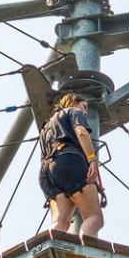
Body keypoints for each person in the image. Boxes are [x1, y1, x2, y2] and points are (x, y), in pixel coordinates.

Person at [39, 92, 104, 238]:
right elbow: (81, 132)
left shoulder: (46, 127)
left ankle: (54, 249)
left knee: (61, 222)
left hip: (48, 172)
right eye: (84, 106)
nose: (85, 111)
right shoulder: (73, 111)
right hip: (70, 161)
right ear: (74, 102)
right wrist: (92, 159)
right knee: (95, 218)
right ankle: (85, 255)